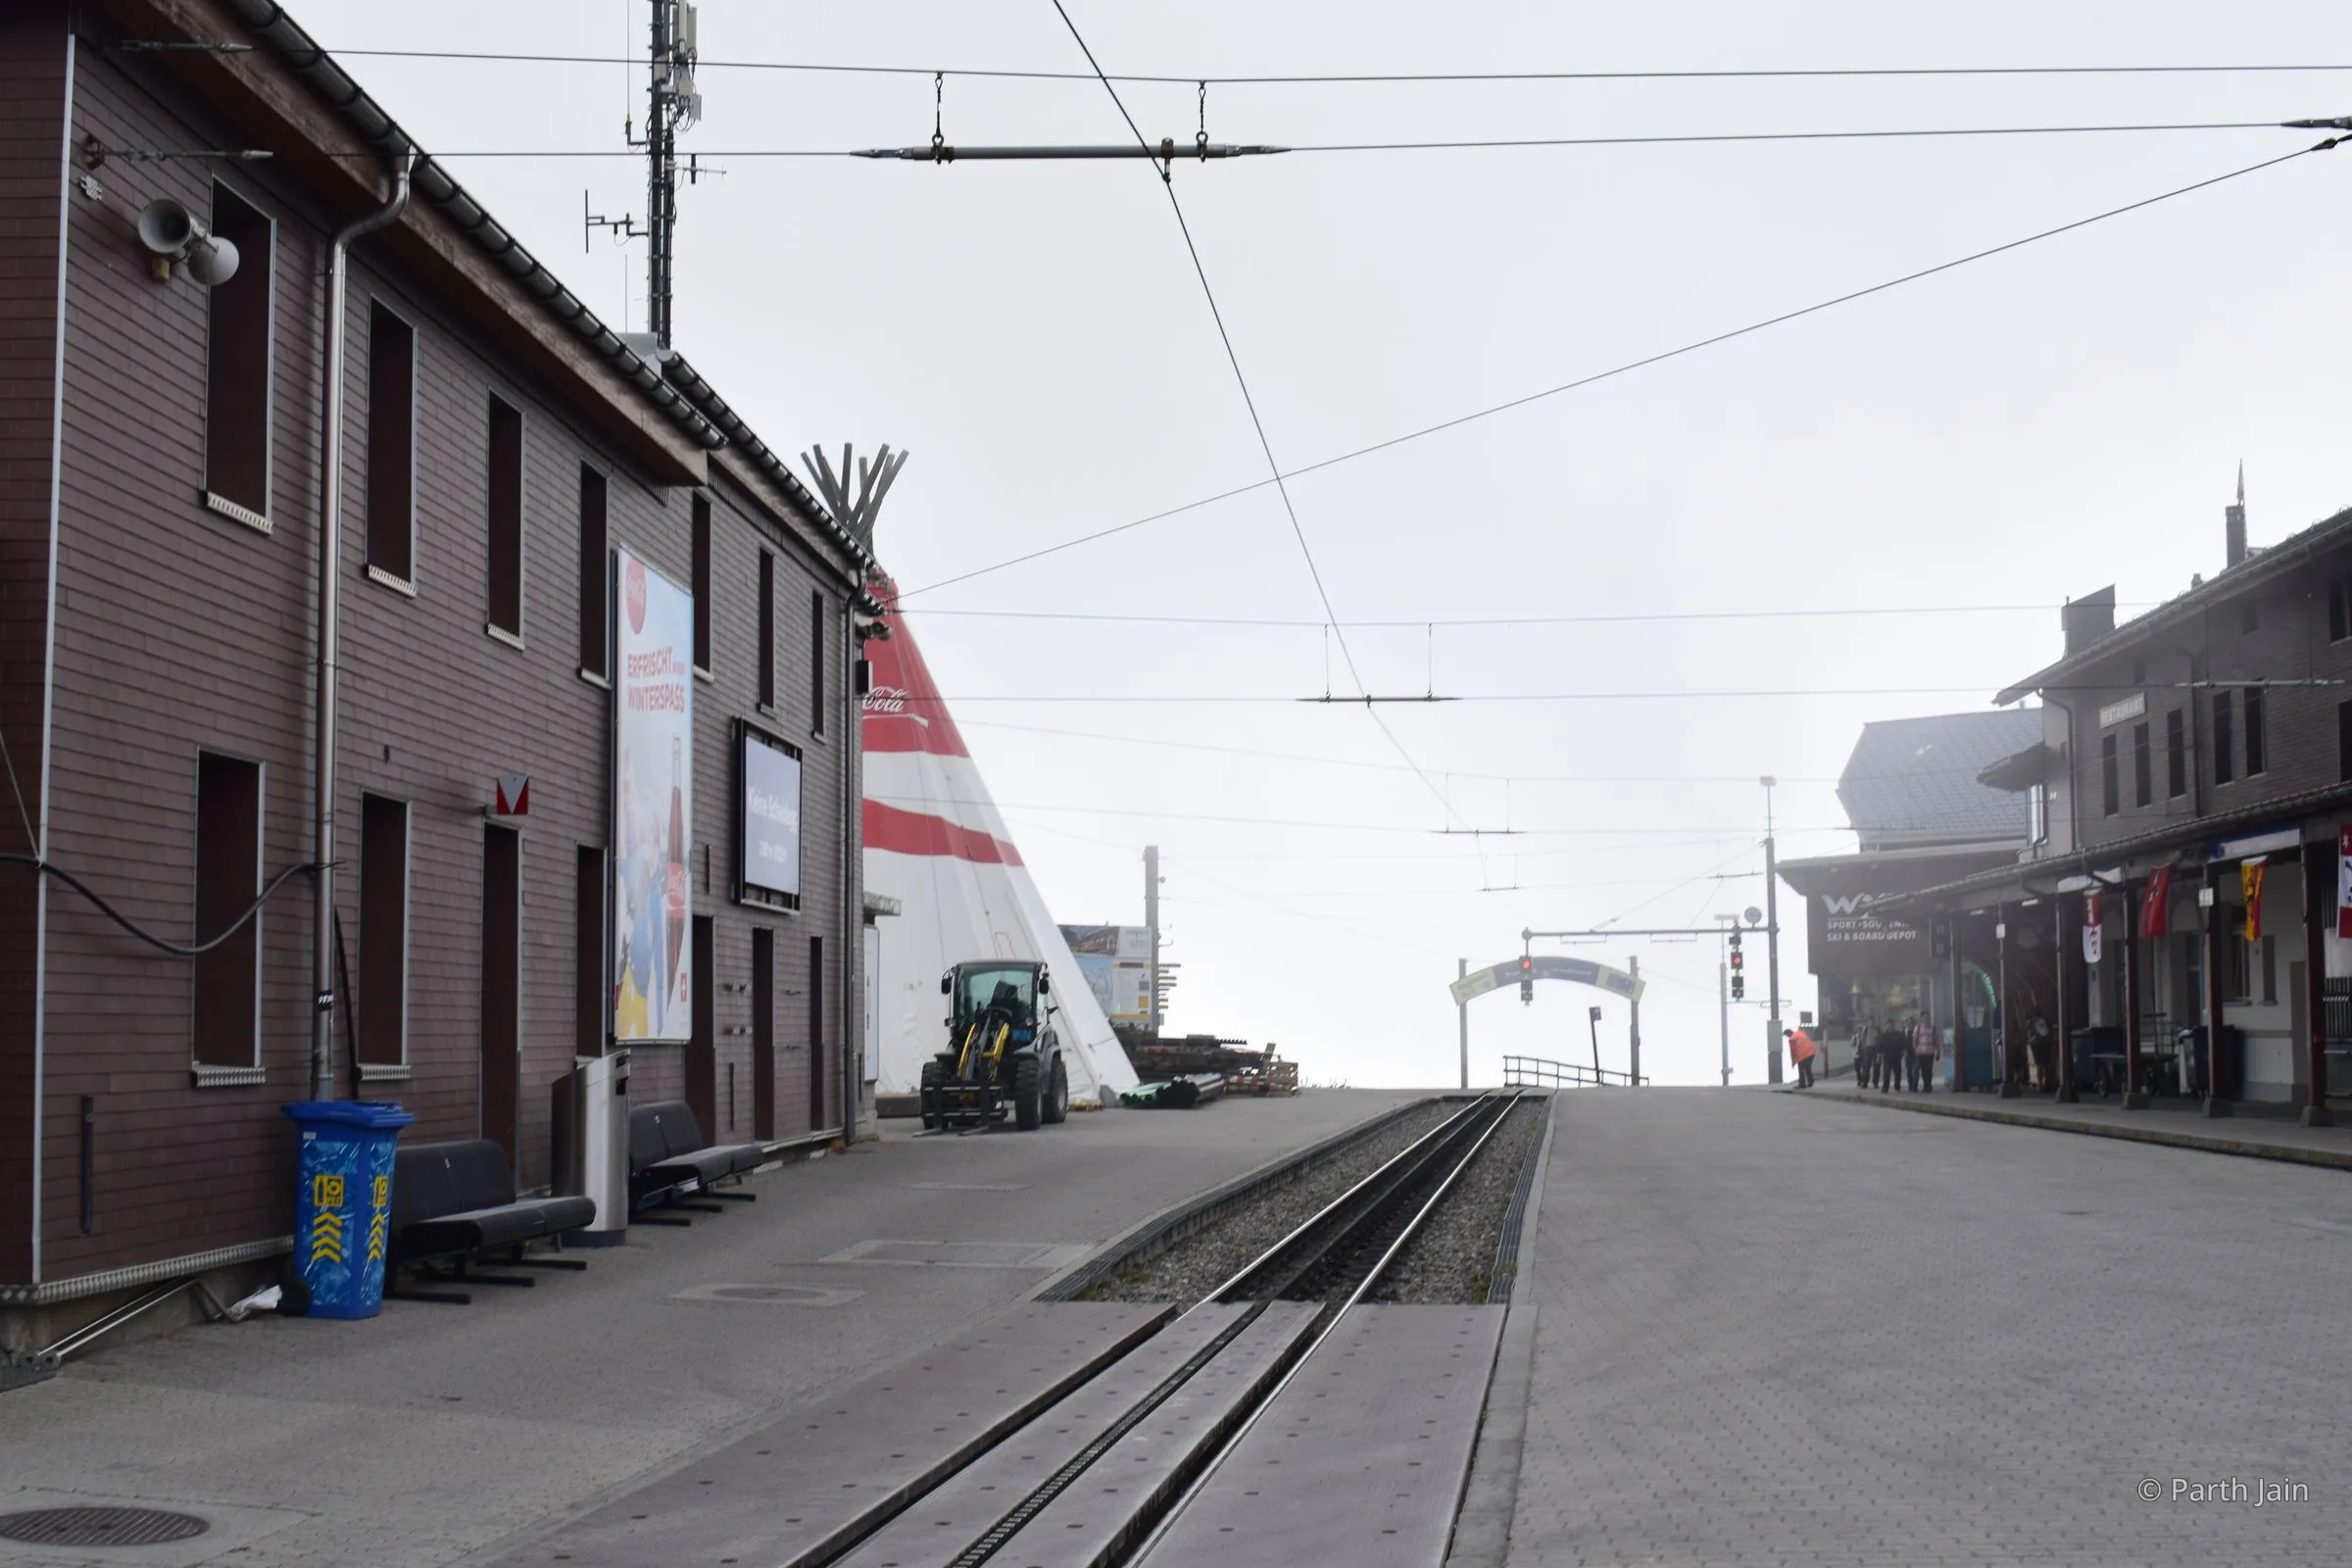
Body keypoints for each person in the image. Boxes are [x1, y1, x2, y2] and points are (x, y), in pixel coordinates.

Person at [1910, 1013, 1936, 1093]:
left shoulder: (1933, 1028)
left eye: (1927, 1018)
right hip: (1920, 1052)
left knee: (1927, 1070)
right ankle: (1914, 1086)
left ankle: (1927, 1086)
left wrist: (1937, 1051)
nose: (1926, 1019)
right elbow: (1914, 1040)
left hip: (1930, 1052)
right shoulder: (1917, 1028)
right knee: (1916, 1069)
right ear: (1921, 1019)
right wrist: (1915, 1050)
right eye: (1924, 1018)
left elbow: (1936, 1040)